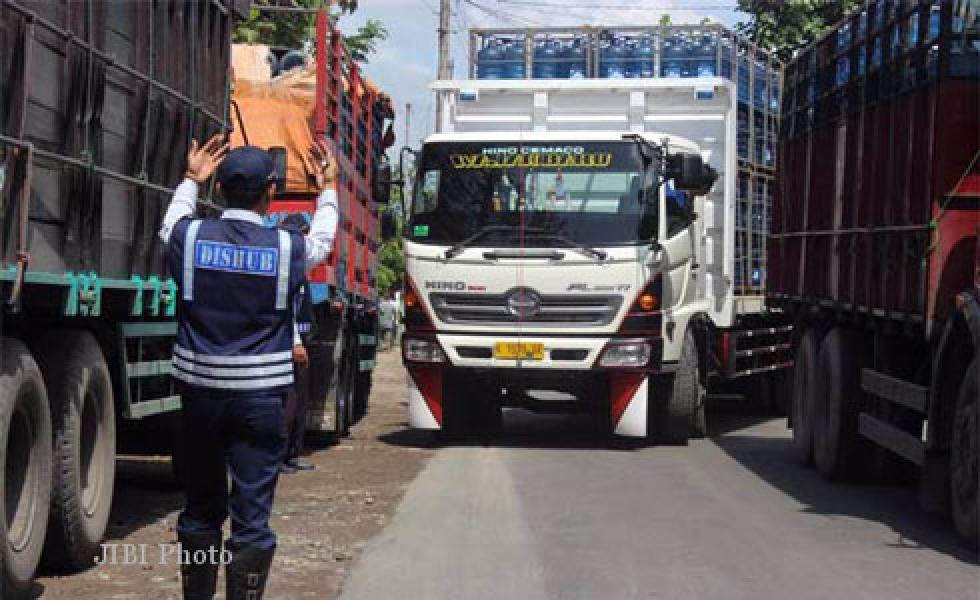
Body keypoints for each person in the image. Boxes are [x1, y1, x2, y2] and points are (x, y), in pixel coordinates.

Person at [159, 134, 338, 600]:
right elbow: (321, 241)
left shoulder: (192, 236)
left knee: (199, 511)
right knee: (252, 517)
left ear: (218, 190)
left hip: (200, 400)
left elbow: (172, 221)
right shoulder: (284, 248)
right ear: (271, 194)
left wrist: (188, 179)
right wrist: (329, 189)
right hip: (262, 402)